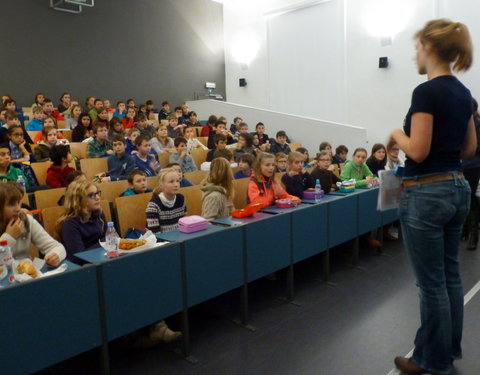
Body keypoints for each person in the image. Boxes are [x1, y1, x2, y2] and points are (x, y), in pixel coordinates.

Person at [390, 19, 476, 375]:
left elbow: (419, 151)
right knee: (450, 277)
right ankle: (440, 352)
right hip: (457, 187)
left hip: (427, 192)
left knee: (431, 285)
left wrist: (397, 133)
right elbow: (470, 148)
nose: (415, 55)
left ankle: (434, 361)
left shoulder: (425, 93)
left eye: (416, 48)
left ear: (429, 47)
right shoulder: (464, 94)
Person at [0, 182, 66, 264]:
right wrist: (9, 237)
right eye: (11, 204)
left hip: (25, 274)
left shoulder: (26, 220)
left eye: (19, 202)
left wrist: (55, 255)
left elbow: (57, 247)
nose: (17, 208)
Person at [57, 180, 106, 262]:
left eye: (97, 193)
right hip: (84, 267)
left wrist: (107, 242)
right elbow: (79, 257)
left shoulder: (99, 214)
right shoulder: (69, 224)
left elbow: (110, 238)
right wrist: (104, 243)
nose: (97, 198)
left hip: (102, 258)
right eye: (91, 195)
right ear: (79, 200)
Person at [462, 98, 480, 250]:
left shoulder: (477, 124)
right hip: (461, 164)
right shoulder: (463, 124)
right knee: (463, 196)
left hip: (473, 165)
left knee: (470, 195)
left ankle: (473, 234)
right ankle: (465, 230)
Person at [146, 168, 186, 233]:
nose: (176, 185)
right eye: (171, 181)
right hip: (163, 241)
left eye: (177, 181)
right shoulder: (153, 205)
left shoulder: (181, 198)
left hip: (180, 238)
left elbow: (184, 224)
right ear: (161, 185)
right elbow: (155, 234)